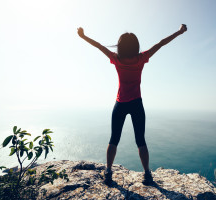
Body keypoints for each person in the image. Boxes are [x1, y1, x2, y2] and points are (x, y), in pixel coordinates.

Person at [77, 24, 187, 185]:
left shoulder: (116, 59)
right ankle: (147, 174)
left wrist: (83, 36)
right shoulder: (141, 58)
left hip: (120, 103)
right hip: (136, 103)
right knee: (140, 140)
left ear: (120, 47)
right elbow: (161, 43)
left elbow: (99, 46)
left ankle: (108, 172)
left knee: (114, 139)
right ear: (136, 46)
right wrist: (179, 31)